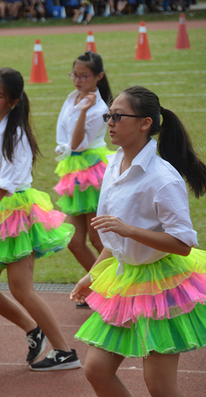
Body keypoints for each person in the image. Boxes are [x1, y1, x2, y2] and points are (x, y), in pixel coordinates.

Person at [70, 86, 206, 396]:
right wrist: (91, 274)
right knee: (96, 369)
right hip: (124, 280)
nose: (110, 122)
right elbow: (115, 239)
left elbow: (183, 244)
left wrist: (129, 230)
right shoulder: (113, 165)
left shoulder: (162, 178)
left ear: (145, 123)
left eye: (118, 116)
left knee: (159, 386)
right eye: (108, 115)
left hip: (164, 284)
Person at [0, 67, 81, 371]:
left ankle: (64, 351)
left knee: (21, 288)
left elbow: (4, 185)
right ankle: (33, 330)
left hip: (16, 211)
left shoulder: (15, 134)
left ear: (13, 101)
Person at [54, 51, 112, 307]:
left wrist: (83, 110)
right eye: (74, 74)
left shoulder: (98, 107)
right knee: (75, 241)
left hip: (92, 171)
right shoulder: (73, 97)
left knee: (97, 238)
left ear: (98, 77)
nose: (77, 80)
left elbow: (77, 143)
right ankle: (100, 285)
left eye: (83, 76)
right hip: (75, 170)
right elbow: (64, 139)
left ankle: (113, 288)